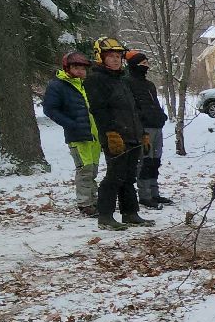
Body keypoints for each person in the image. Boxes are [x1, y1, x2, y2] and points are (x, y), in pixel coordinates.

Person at [85, 36, 151, 231]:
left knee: (129, 176)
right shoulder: (96, 80)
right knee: (115, 176)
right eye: (110, 56)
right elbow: (99, 110)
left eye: (118, 56)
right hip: (115, 136)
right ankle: (105, 215)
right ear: (101, 57)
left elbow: (134, 109)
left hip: (132, 134)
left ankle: (130, 213)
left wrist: (143, 133)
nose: (115, 60)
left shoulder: (123, 80)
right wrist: (110, 133)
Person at [43, 52, 100, 216]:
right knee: (85, 168)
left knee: (93, 169)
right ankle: (85, 204)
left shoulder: (86, 84)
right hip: (78, 135)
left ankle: (94, 201)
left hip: (94, 134)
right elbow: (50, 109)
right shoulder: (58, 85)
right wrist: (71, 124)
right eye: (76, 67)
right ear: (67, 68)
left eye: (83, 68)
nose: (80, 71)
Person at [124, 49, 173, 208]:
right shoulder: (127, 83)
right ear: (134, 65)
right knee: (144, 161)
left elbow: (155, 104)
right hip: (143, 129)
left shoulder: (149, 85)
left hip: (156, 126)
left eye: (146, 63)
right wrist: (140, 122)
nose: (146, 66)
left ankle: (154, 193)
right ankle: (144, 195)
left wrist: (161, 116)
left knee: (154, 161)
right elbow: (131, 108)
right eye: (142, 63)